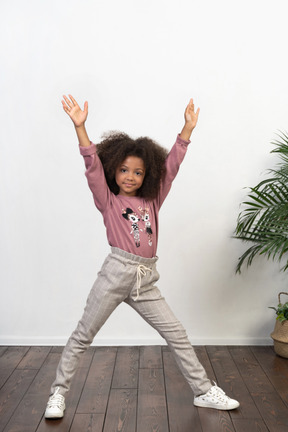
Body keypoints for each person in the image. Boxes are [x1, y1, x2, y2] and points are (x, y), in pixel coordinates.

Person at [45, 95, 239, 419]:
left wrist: (186, 131)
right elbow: (91, 166)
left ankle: (204, 391)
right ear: (114, 171)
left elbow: (171, 168)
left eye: (137, 172)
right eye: (123, 170)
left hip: (145, 279)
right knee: (83, 334)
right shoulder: (108, 200)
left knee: (176, 332)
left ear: (146, 176)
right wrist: (81, 128)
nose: (130, 177)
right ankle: (58, 394)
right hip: (115, 274)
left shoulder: (153, 199)